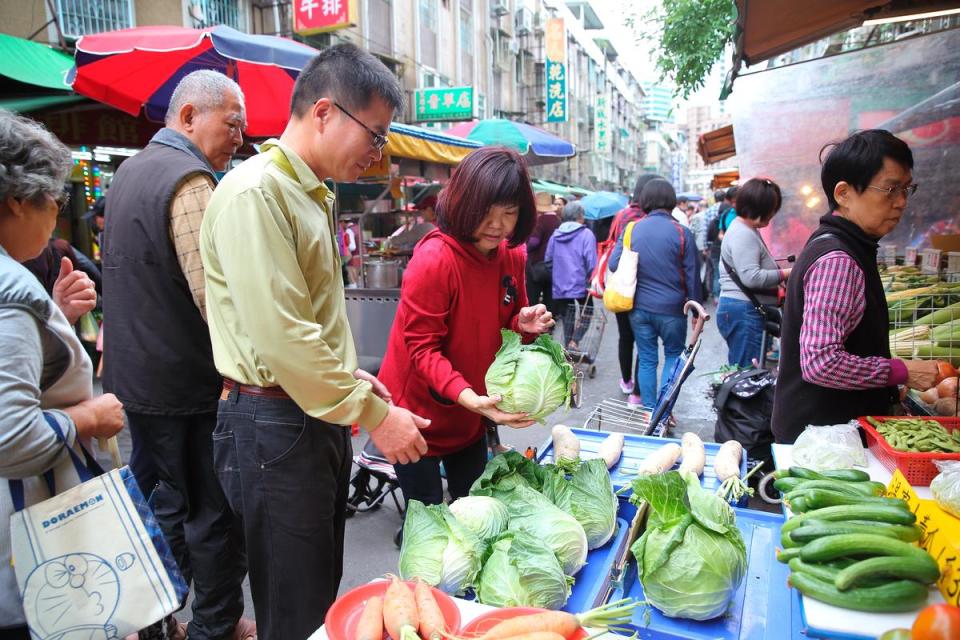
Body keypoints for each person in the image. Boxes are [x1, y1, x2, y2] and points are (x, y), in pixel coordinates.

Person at [200, 44, 429, 640]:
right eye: (374, 135)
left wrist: (351, 379)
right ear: (324, 112)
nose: (378, 155)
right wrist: (377, 414)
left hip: (308, 413)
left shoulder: (310, 193)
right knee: (294, 607)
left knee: (320, 590)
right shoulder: (258, 193)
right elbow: (283, 338)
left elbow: (306, 323)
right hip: (274, 421)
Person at [101, 70, 253, 640]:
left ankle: (156, 615)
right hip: (185, 385)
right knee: (212, 512)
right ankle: (215, 625)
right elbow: (215, 297)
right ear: (189, 117)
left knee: (160, 502)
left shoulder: (129, 172)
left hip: (135, 378)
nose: (239, 136)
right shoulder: (190, 180)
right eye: (231, 123)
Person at [0, 110, 125, 640]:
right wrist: (89, 414)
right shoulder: (11, 294)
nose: (57, 213)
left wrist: (55, 319)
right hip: (21, 543)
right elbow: (10, 438)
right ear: (16, 201)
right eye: (54, 199)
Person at [378, 147, 552, 509]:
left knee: (473, 506)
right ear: (462, 203)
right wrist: (469, 396)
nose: (497, 225)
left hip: (470, 412)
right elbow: (422, 348)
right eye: (486, 213)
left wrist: (524, 325)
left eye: (509, 213)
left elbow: (507, 327)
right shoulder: (435, 260)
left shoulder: (511, 256)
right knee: (426, 513)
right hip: (415, 414)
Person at [772, 130, 940, 443]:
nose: (901, 202)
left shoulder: (844, 245)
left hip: (826, 435)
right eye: (890, 189)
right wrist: (900, 371)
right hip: (824, 441)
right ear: (844, 193)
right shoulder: (839, 259)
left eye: (906, 189)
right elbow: (821, 362)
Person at [609, 179, 701, 409]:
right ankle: (664, 410)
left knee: (647, 359)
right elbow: (692, 276)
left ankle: (649, 411)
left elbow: (613, 264)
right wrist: (696, 310)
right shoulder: (683, 233)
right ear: (671, 201)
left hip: (639, 309)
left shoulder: (632, 229)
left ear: (645, 201)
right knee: (672, 355)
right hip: (673, 310)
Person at [716, 178, 791, 368]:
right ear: (759, 208)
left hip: (742, 311)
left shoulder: (746, 229)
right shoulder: (743, 233)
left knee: (746, 372)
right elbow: (751, 277)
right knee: (746, 376)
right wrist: (787, 273)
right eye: (771, 209)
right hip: (743, 312)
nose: (773, 214)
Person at [607, 173, 662, 402]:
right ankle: (638, 391)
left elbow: (613, 250)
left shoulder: (623, 215)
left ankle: (626, 381)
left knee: (625, 337)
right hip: (645, 288)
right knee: (645, 342)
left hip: (622, 286)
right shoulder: (654, 219)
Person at [546, 200, 597, 348]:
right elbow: (592, 262)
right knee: (587, 312)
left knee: (568, 316)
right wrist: (588, 277)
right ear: (579, 216)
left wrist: (557, 274)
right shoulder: (586, 234)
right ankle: (575, 340)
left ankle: (568, 344)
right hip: (582, 284)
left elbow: (548, 260)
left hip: (560, 284)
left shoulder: (555, 235)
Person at [526, 191, 560, 310]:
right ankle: (548, 325)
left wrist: (524, 247)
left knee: (533, 299)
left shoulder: (540, 221)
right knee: (549, 299)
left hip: (536, 265)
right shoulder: (557, 220)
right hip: (553, 266)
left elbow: (534, 242)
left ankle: (534, 324)